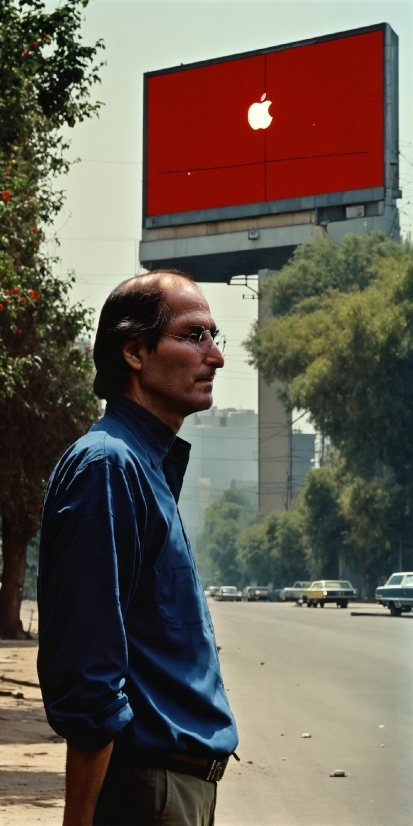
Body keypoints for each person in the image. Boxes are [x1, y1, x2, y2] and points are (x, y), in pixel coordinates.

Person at [37, 270, 238, 826]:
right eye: (194, 336)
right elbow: (91, 672)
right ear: (134, 352)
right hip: (150, 793)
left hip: (176, 788)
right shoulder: (110, 467)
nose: (215, 356)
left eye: (216, 336)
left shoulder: (145, 465)